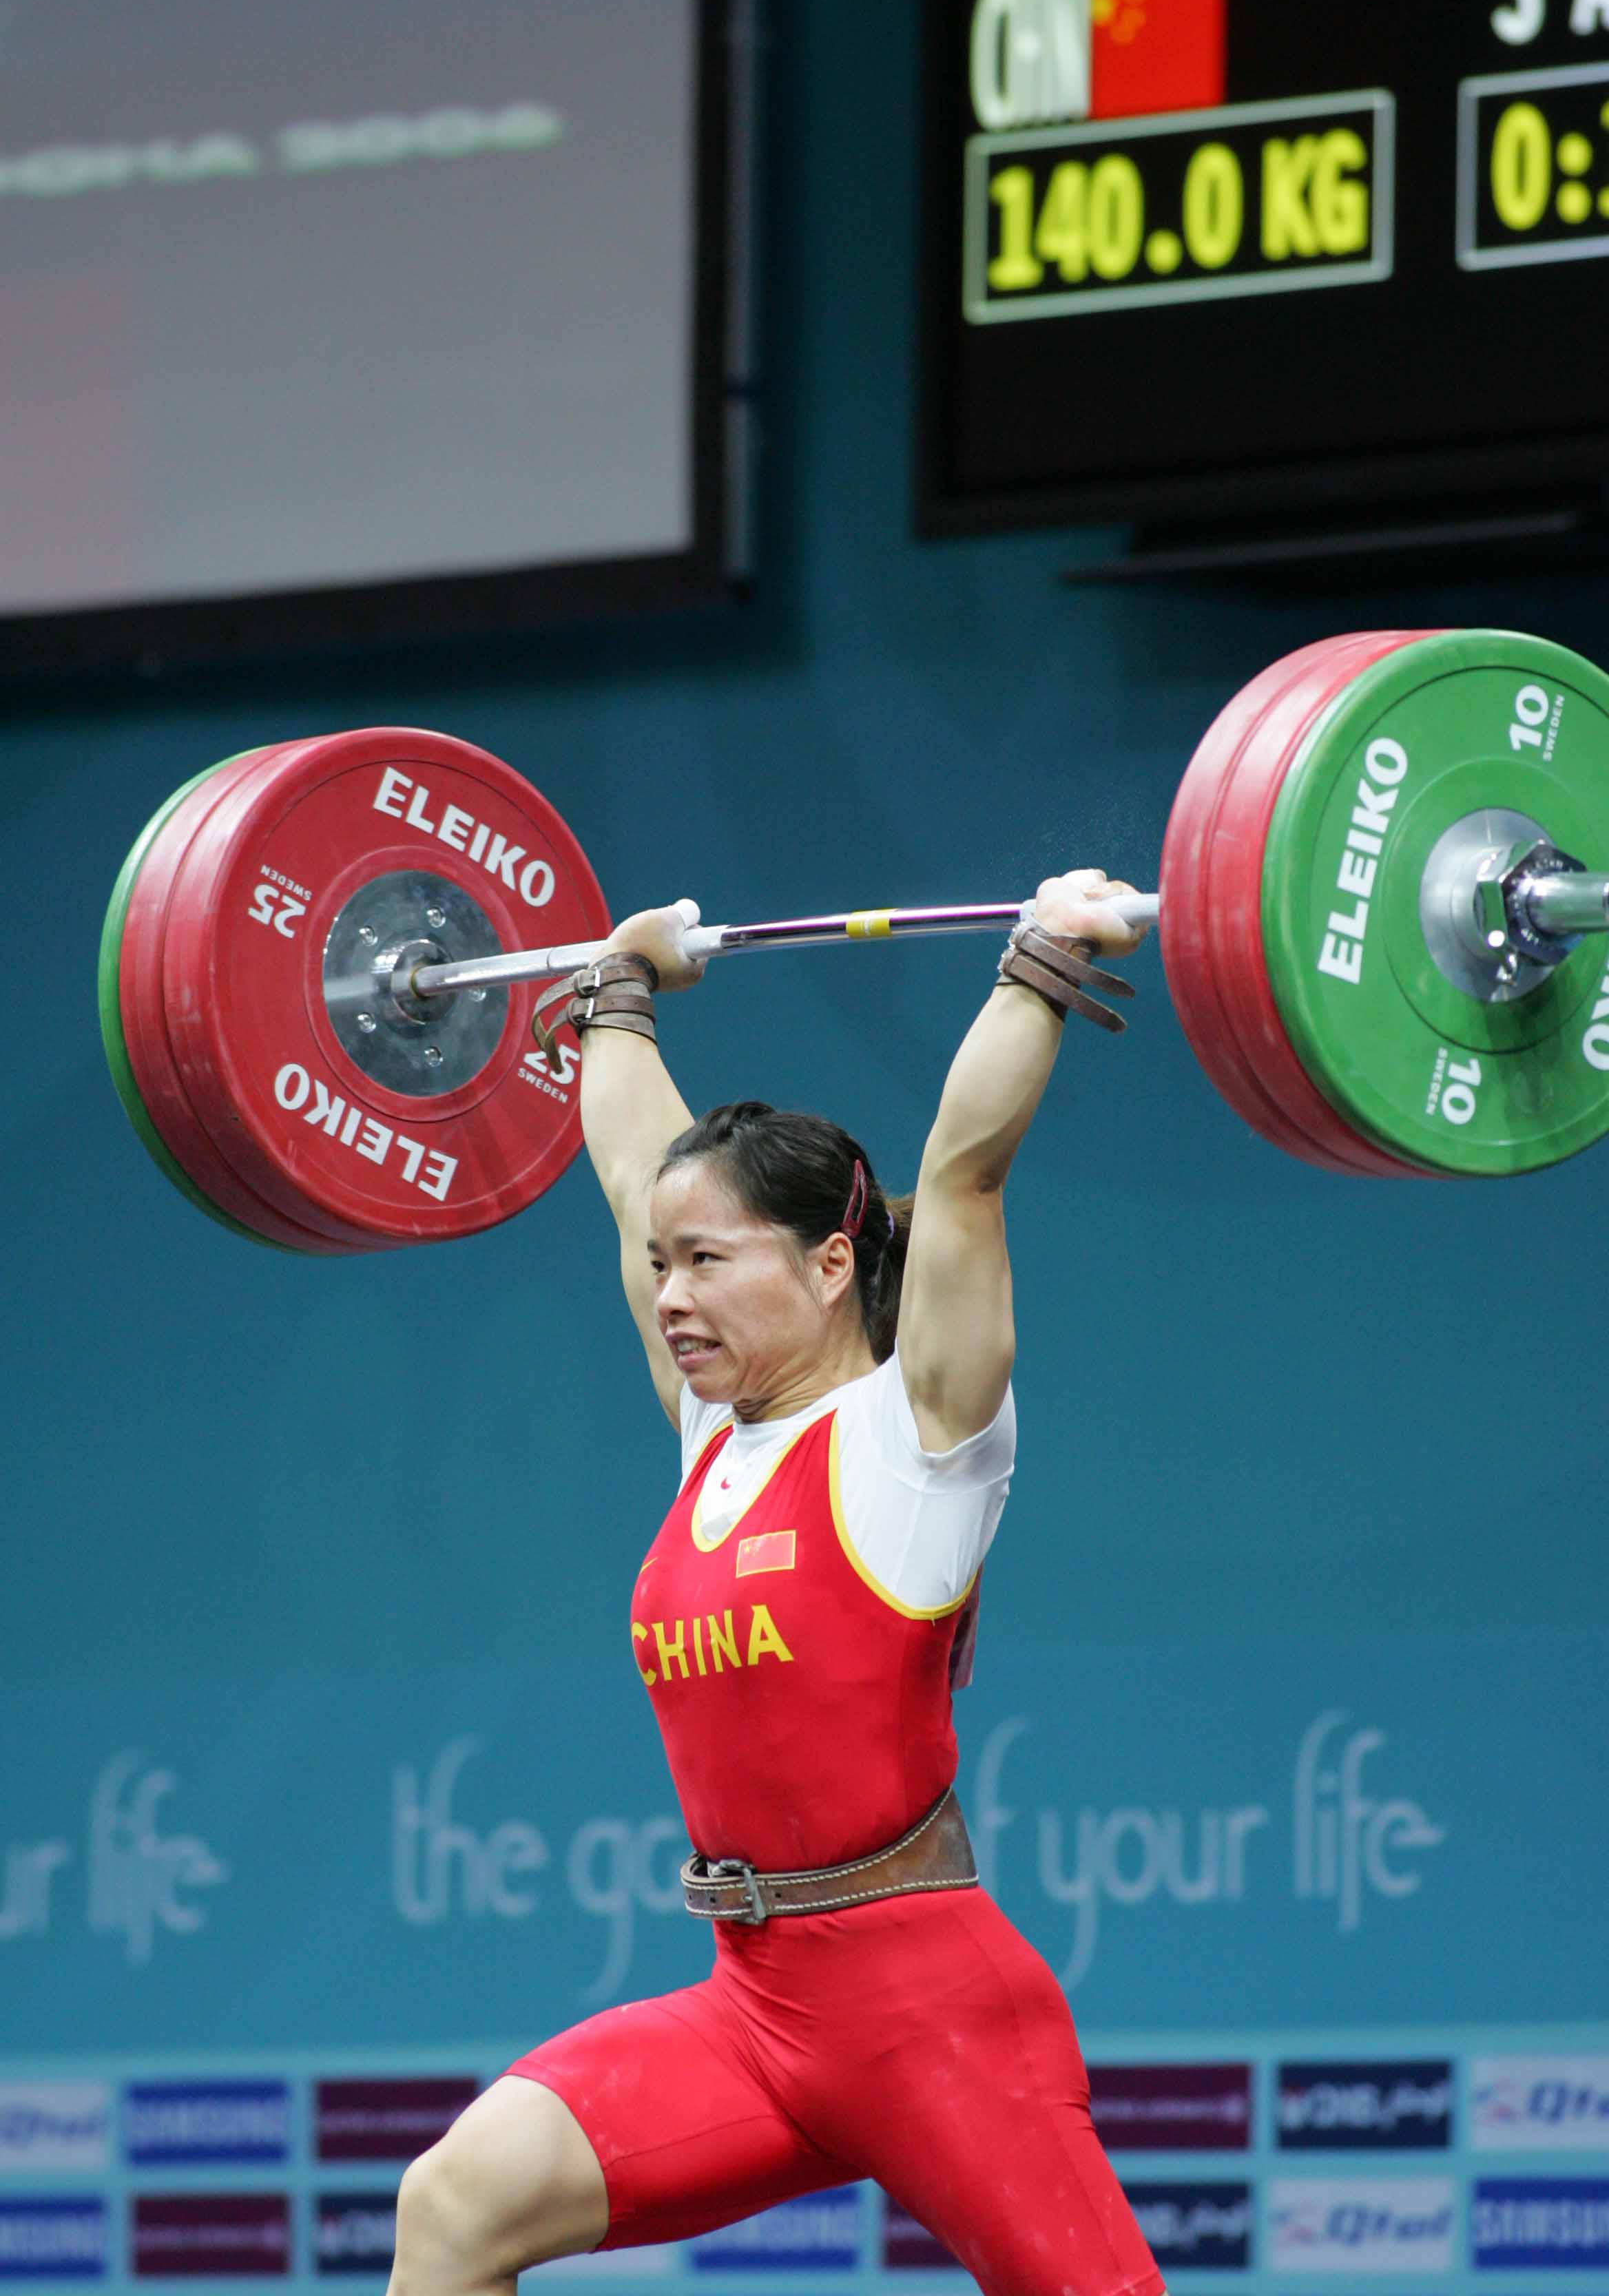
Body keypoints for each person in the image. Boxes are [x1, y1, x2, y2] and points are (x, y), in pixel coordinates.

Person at [388, 873, 1163, 2296]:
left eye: (707, 1263)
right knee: (453, 2208)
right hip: (755, 2011)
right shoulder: (712, 1438)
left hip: (933, 2017)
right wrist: (614, 999)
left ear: (825, 1263)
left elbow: (967, 1165)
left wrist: (1040, 960)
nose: (670, 1295)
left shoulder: (918, 1432)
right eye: (660, 1269)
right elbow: (633, 1172)